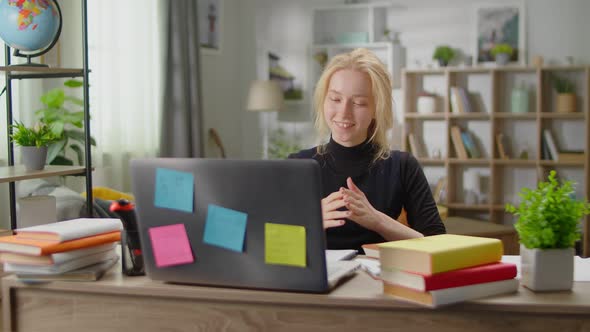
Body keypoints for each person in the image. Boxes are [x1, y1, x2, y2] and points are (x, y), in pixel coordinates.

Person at [289, 48, 446, 251]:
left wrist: (378, 221)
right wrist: (309, 222)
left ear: (376, 109)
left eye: (359, 103)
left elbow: (439, 246)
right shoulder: (297, 165)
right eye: (335, 99)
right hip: (319, 281)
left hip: (380, 279)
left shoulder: (402, 166)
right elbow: (270, 246)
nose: (344, 112)